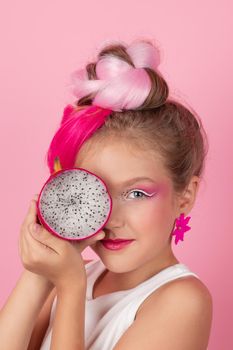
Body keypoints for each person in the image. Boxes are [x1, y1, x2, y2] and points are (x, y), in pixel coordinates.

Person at [0, 39, 213, 350]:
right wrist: (37, 273)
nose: (109, 216)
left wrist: (71, 289)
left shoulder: (183, 301)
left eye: (137, 193)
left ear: (185, 196)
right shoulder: (78, 272)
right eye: (95, 190)